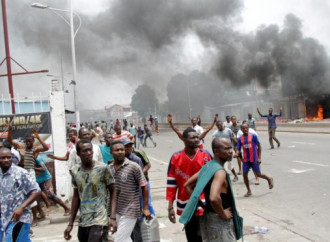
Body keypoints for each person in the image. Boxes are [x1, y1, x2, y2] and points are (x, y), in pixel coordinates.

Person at [181, 138, 243, 242]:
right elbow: (214, 198)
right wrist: (223, 213)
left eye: (231, 148)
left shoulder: (208, 166)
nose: (231, 151)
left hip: (208, 218)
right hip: (219, 222)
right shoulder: (220, 172)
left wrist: (203, 205)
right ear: (216, 151)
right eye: (226, 148)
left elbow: (187, 185)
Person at [64, 140, 117, 242]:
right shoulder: (75, 170)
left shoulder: (103, 168)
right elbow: (76, 196)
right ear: (78, 154)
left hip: (99, 218)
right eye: (85, 151)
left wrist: (113, 217)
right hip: (83, 219)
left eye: (90, 150)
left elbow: (113, 191)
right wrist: (70, 223)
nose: (88, 153)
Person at [166, 127, 213, 242]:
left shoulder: (206, 156)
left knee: (205, 236)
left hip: (204, 204)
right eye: (193, 137)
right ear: (184, 140)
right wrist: (170, 207)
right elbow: (172, 184)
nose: (197, 139)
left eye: (198, 137)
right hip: (185, 204)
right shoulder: (175, 158)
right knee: (191, 236)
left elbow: (214, 181)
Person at [6, 121, 48, 225]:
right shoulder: (21, 147)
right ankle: (33, 214)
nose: (28, 143)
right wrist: (10, 129)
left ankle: (35, 218)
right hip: (21, 171)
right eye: (27, 141)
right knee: (23, 194)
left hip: (30, 172)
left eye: (30, 141)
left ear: (33, 141)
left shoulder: (35, 149)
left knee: (32, 193)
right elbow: (10, 140)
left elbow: (46, 148)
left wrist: (38, 137)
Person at [109, 140, 151, 242]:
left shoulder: (134, 166)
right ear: (111, 152)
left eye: (122, 150)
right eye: (117, 150)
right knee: (125, 238)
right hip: (117, 208)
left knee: (119, 239)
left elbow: (144, 186)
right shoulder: (109, 168)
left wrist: (145, 207)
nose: (120, 152)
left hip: (131, 209)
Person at [0, 147, 40, 242]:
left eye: (8, 157)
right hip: (5, 218)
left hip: (20, 218)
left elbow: (36, 190)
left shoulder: (20, 173)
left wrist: (22, 207)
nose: (6, 160)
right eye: (2, 158)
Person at [235, 123, 274, 197]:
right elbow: (238, 148)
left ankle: (269, 179)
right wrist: (237, 153)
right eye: (243, 128)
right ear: (241, 129)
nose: (245, 129)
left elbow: (258, 145)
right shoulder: (240, 139)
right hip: (246, 160)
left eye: (246, 128)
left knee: (258, 174)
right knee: (244, 174)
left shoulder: (253, 136)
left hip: (254, 158)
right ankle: (249, 191)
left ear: (248, 128)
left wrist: (259, 157)